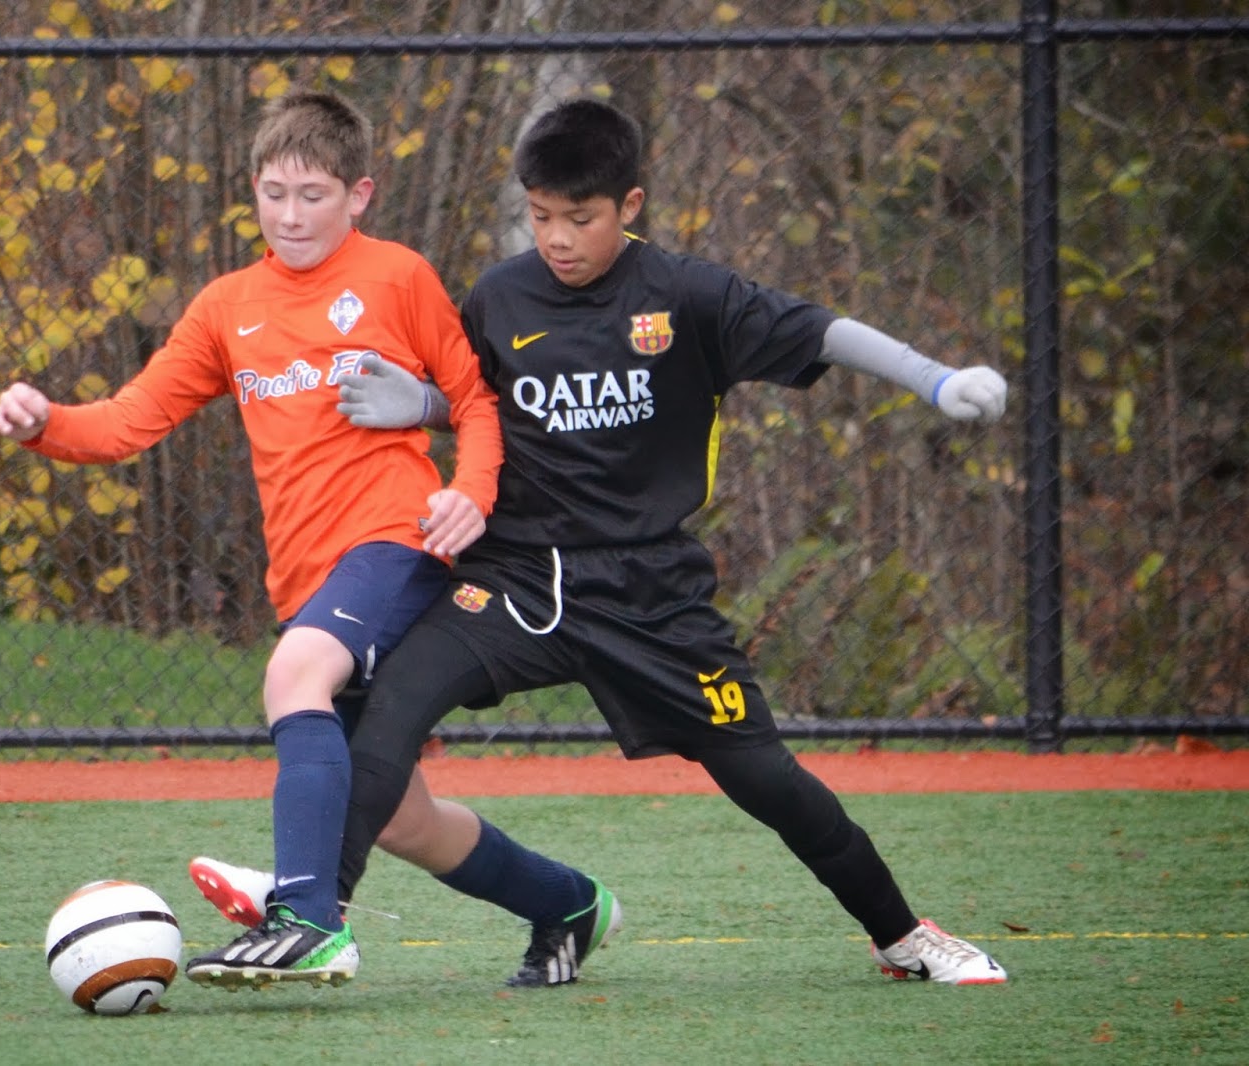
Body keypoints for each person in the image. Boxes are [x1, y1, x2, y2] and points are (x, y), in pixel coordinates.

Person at [193, 98, 1010, 986]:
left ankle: (903, 934)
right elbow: (478, 403)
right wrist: (422, 405)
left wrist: (934, 379)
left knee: (766, 779)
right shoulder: (501, 297)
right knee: (389, 712)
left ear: (630, 205)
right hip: (515, 580)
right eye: (540, 215)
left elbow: (821, 331)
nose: (557, 238)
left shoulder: (688, 295)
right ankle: (311, 914)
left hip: (650, 595)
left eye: (580, 218)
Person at [0, 89, 593, 991]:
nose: (292, 215)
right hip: (306, 577)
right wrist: (45, 423)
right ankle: (569, 905)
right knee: (404, 820)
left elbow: (475, 401)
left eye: (313, 195)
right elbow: (127, 422)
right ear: (254, 192)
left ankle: (308, 919)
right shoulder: (227, 306)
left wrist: (469, 492)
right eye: (274, 194)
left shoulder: (397, 277)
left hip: (397, 543)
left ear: (359, 195)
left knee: (292, 675)